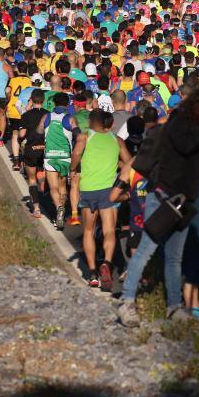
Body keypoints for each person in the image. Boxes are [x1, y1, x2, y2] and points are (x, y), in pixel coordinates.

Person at [118, 88, 199, 327]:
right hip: (164, 196)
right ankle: (126, 301)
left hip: (185, 202)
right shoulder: (180, 122)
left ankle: (174, 306)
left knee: (174, 258)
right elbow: (185, 145)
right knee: (146, 251)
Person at [70, 109, 131, 290]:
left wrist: (73, 169)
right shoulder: (117, 140)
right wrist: (119, 169)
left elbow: (76, 155)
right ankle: (107, 262)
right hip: (109, 191)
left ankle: (92, 273)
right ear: (110, 125)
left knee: (88, 230)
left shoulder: (84, 137)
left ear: (91, 122)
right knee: (109, 231)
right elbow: (129, 161)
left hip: (88, 190)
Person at [40, 92, 76, 230]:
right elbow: (77, 132)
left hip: (50, 156)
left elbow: (39, 130)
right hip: (65, 157)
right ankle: (63, 212)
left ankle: (59, 209)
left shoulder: (47, 116)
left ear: (54, 103)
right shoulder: (70, 118)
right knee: (62, 187)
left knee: (53, 188)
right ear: (67, 104)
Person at [19, 89, 49, 219]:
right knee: (41, 170)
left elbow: (21, 134)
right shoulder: (49, 114)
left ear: (31, 100)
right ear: (44, 100)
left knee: (31, 179)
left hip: (31, 148)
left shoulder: (26, 115)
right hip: (45, 148)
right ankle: (42, 184)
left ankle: (36, 208)